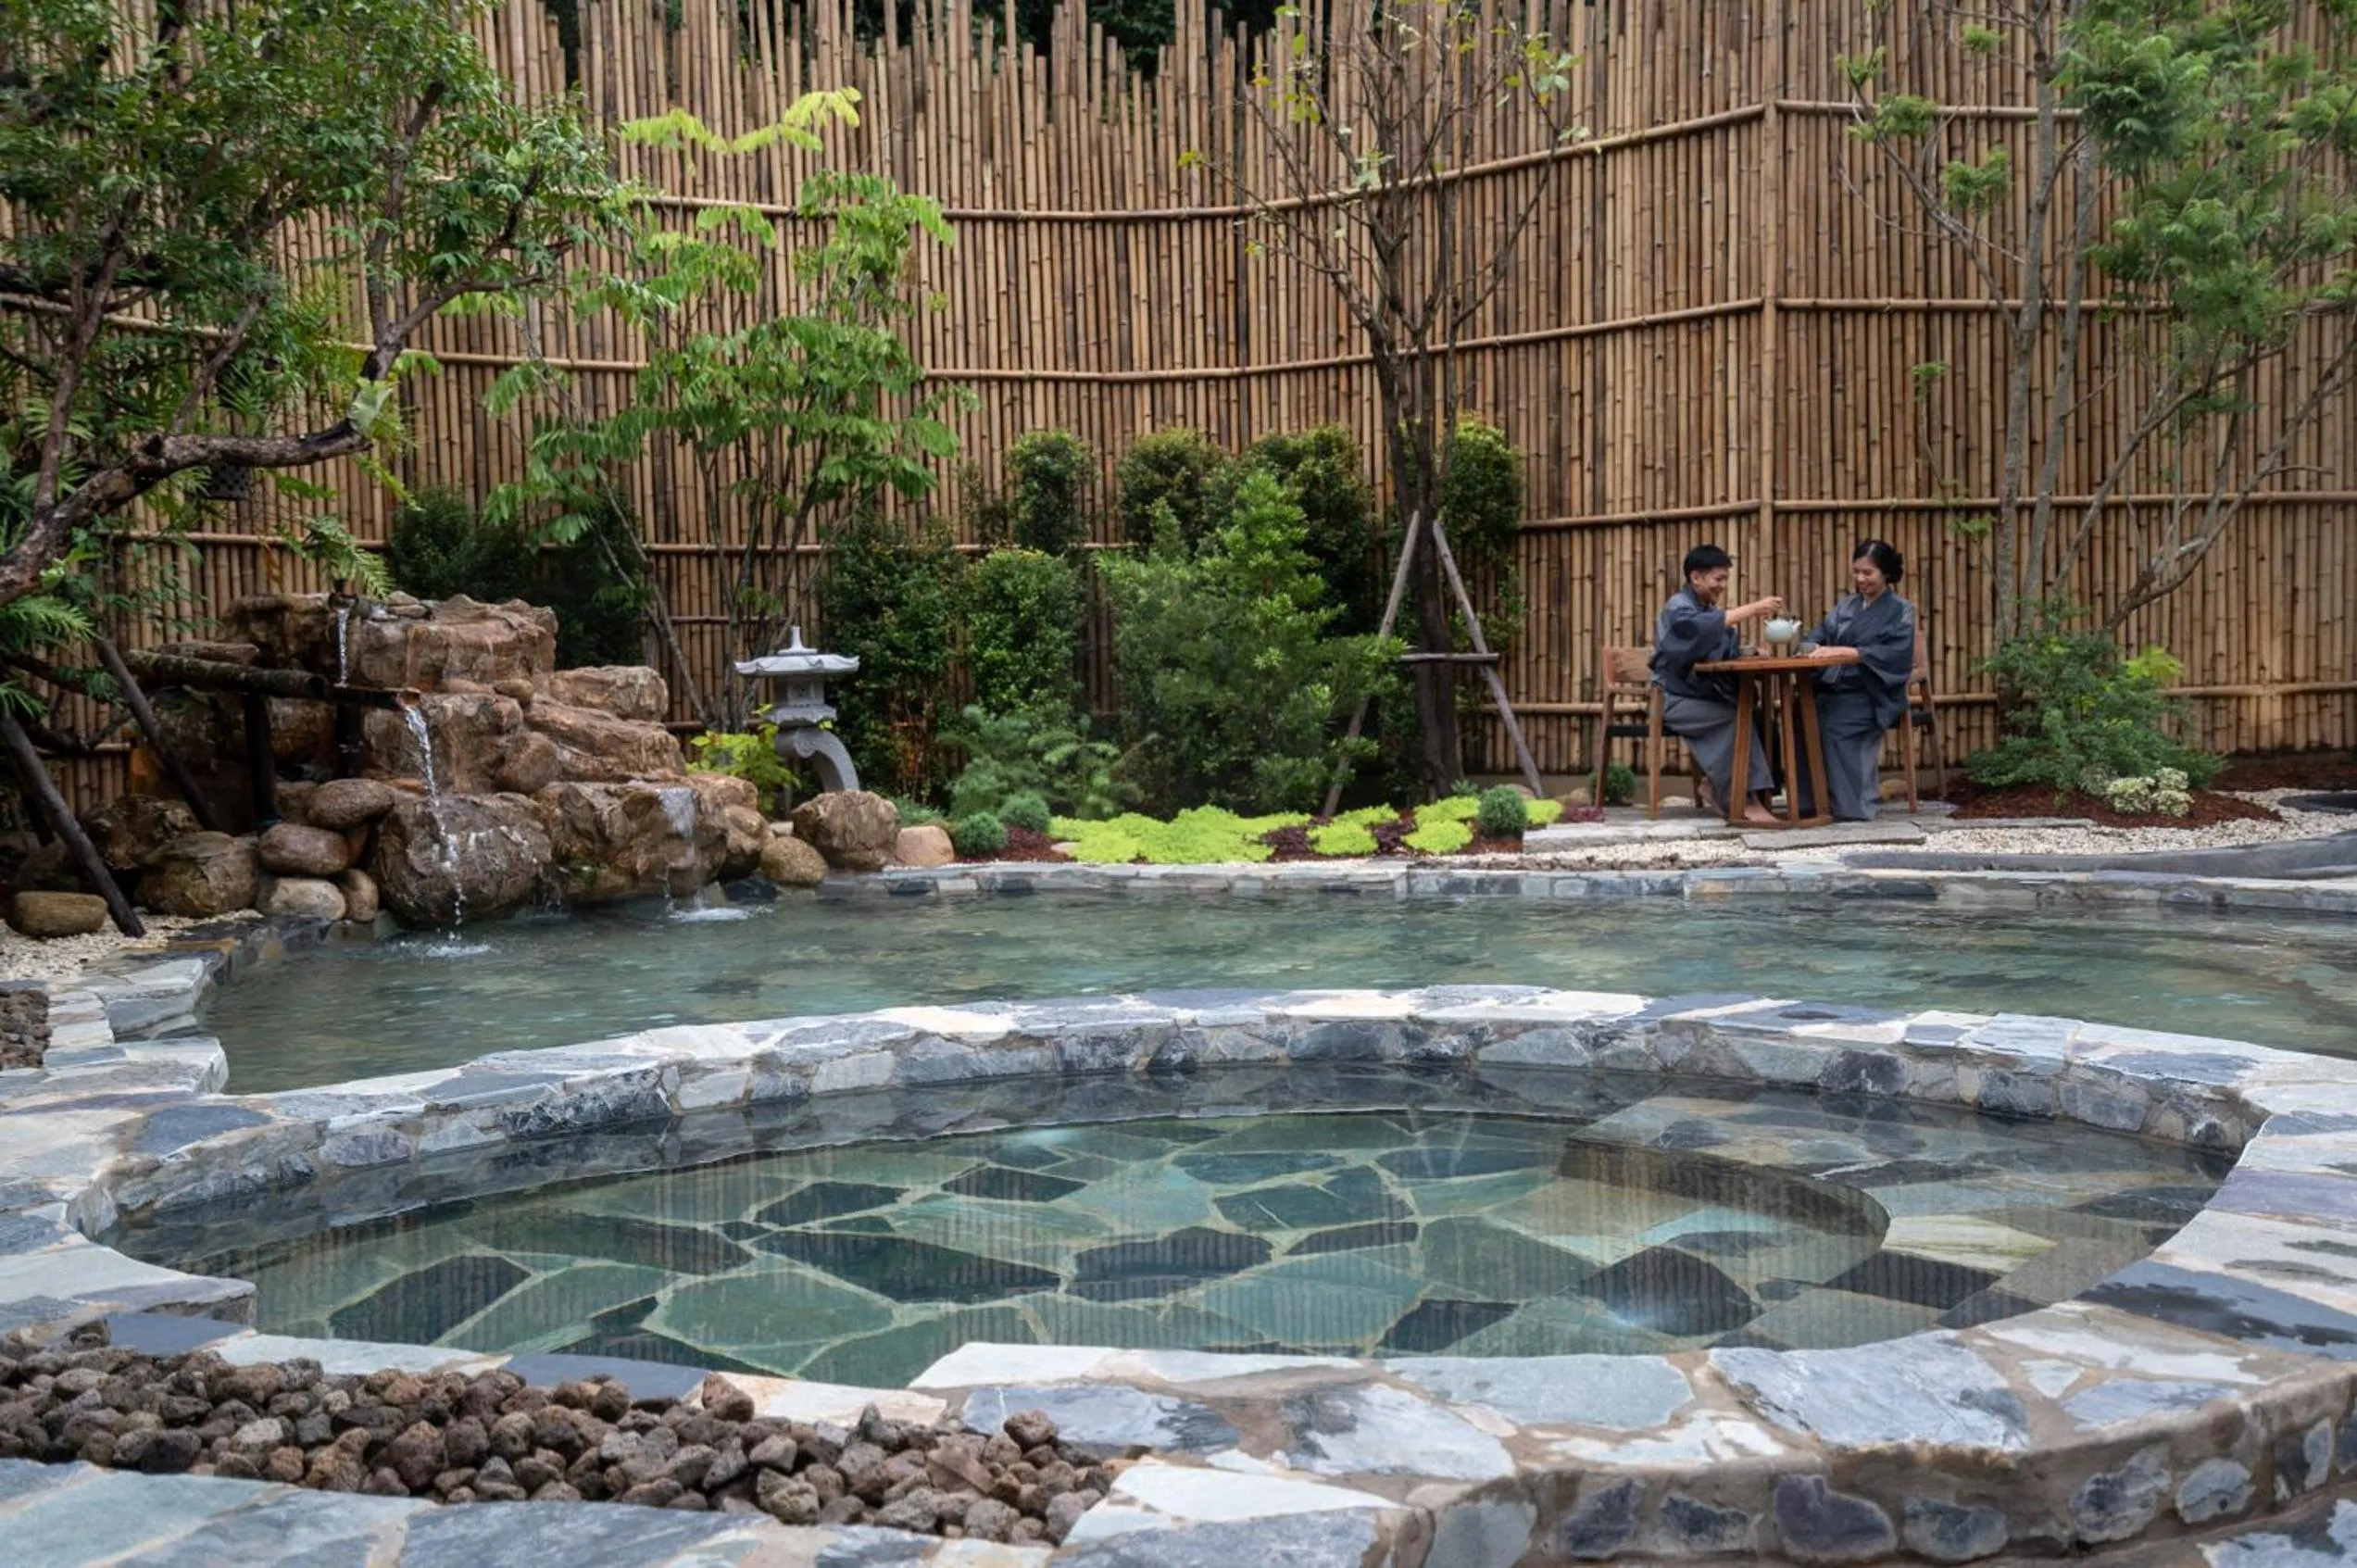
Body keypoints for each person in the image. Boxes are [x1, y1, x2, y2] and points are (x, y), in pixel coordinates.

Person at [1651, 544, 1783, 825]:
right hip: (1674, 699)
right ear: (1696, 577)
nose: (1722, 586)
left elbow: (1714, 652)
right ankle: (1741, 799)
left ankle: (1727, 788)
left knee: (1757, 716)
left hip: (1700, 695)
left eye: (1725, 580)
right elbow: (1698, 633)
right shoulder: (1679, 608)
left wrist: (1747, 653)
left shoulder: (1707, 608)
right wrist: (1752, 609)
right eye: (1718, 579)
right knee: (1735, 719)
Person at [1799, 539, 1918, 822]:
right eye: (1856, 572)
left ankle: (1852, 806)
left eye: (1868, 573)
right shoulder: (1846, 607)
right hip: (1834, 688)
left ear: (1886, 573)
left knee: (1835, 726)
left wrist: (1852, 652)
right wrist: (1812, 646)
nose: (1861, 579)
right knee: (1799, 717)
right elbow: (1819, 635)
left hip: (1871, 692)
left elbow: (1896, 654)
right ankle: (1811, 803)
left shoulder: (1900, 611)